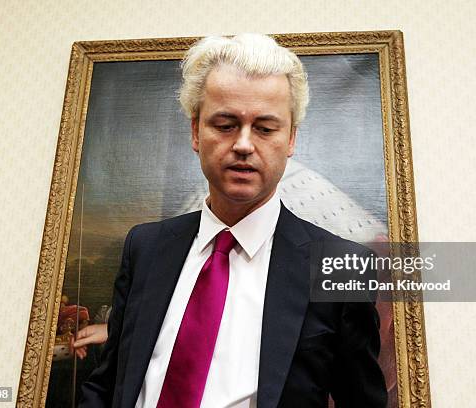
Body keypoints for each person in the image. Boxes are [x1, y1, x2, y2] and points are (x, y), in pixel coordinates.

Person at [78, 33, 387, 408]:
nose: (243, 144)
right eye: (225, 125)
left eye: (265, 128)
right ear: (195, 132)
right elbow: (108, 383)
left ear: (290, 139)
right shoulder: (145, 247)